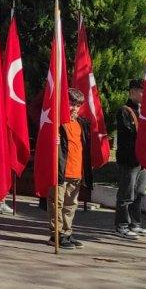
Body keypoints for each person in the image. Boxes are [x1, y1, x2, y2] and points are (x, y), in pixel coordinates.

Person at [50, 89, 90, 249]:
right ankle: (56, 234)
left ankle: (67, 232)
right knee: (57, 204)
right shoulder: (57, 123)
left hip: (76, 171)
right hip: (61, 171)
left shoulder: (81, 123)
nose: (74, 108)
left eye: (78, 105)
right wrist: (53, 140)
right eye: (71, 104)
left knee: (70, 205)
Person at [114, 80, 146, 239]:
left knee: (139, 193)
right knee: (126, 194)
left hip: (142, 160)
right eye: (141, 91)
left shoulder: (145, 111)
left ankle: (135, 224)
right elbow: (130, 134)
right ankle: (121, 225)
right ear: (132, 92)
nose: (144, 95)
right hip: (129, 159)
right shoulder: (125, 111)